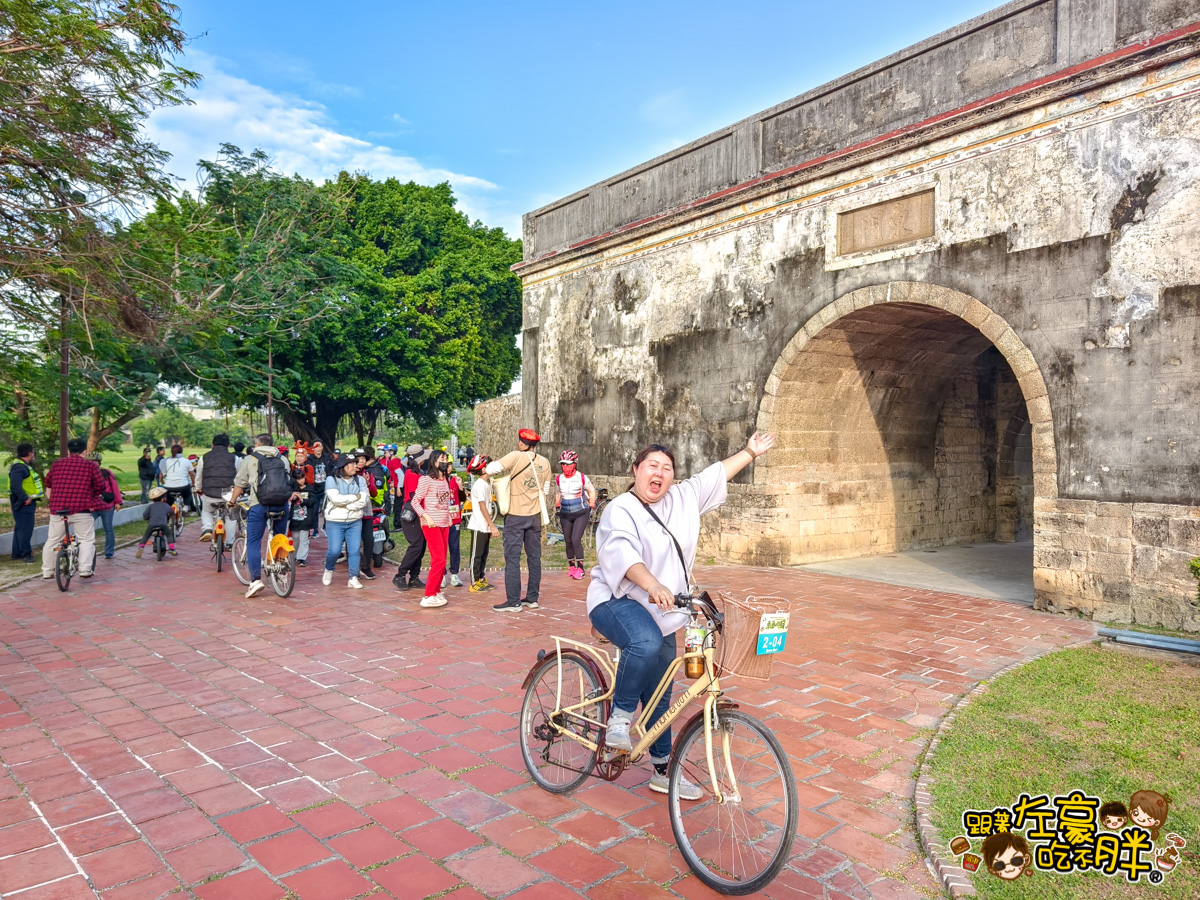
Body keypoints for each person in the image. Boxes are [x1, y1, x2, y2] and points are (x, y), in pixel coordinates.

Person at [587, 432, 775, 797]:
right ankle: (620, 719)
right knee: (645, 641)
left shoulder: (683, 498)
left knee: (661, 693)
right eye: (652, 466)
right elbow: (622, 553)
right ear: (636, 470)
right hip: (616, 599)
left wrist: (751, 451)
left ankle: (662, 771)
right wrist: (653, 584)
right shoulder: (620, 508)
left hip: (666, 610)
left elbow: (717, 473)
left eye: (667, 468)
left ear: (673, 476)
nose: (659, 473)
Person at [485, 428, 551, 613]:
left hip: (515, 515)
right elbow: (545, 489)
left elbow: (492, 469)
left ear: (522, 443)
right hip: (535, 515)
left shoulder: (516, 456)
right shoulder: (544, 462)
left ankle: (513, 602)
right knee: (534, 559)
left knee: (512, 559)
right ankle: (532, 598)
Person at [230, 434, 299, 598]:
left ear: (256, 444)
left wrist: (232, 501)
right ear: (272, 445)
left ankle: (255, 581)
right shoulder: (282, 459)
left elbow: (240, 484)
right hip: (282, 504)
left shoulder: (250, 459)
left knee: (253, 542)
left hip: (259, 505)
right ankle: (281, 571)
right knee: (280, 537)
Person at [40, 438, 106, 579]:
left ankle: (47, 570)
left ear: (68, 451)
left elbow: (48, 482)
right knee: (86, 539)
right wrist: (91, 494)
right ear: (85, 452)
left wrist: (53, 499)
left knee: (53, 539)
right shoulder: (90, 466)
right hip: (81, 508)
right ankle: (85, 569)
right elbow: (101, 485)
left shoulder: (57, 464)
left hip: (58, 509)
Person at [409, 449, 454, 608]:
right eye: (441, 459)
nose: (444, 462)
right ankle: (428, 595)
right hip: (431, 524)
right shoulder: (425, 480)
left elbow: (445, 502)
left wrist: (448, 515)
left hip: (443, 524)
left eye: (445, 459)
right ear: (434, 461)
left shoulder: (445, 480)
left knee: (442, 560)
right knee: (438, 560)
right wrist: (426, 517)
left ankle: (435, 591)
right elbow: (415, 502)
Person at [322, 452, 368, 590]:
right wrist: (355, 497)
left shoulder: (360, 480)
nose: (356, 466)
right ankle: (329, 569)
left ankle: (353, 577)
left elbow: (364, 499)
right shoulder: (331, 480)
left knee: (354, 550)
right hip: (335, 521)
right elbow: (335, 499)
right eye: (353, 463)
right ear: (344, 465)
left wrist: (348, 504)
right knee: (334, 550)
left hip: (355, 520)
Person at [554, 450, 596, 580]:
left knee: (575, 540)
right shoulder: (559, 479)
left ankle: (581, 569)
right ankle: (571, 566)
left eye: (568, 464)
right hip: (565, 514)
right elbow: (557, 493)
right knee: (568, 540)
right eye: (563, 464)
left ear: (575, 464)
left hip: (580, 513)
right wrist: (557, 505)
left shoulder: (581, 477)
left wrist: (591, 504)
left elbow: (592, 490)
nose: (565, 467)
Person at [392, 445, 428, 591]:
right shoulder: (412, 475)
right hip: (413, 514)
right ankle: (400, 575)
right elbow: (414, 498)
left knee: (420, 546)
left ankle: (414, 576)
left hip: (417, 513)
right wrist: (422, 515)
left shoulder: (416, 473)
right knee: (416, 546)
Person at [195, 434, 238, 543]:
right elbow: (240, 477)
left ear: (212, 445)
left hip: (210, 494)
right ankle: (229, 543)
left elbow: (199, 476)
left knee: (207, 510)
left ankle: (207, 528)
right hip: (228, 495)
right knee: (230, 516)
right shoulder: (235, 458)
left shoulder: (203, 458)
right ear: (228, 446)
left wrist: (198, 488)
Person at [465, 455, 499, 592]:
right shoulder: (479, 485)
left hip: (485, 526)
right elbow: (482, 507)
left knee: (484, 554)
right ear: (483, 469)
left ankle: (480, 579)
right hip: (479, 525)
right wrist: (492, 525)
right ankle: (474, 582)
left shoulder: (487, 484)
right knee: (477, 555)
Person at [359, 446, 390, 581]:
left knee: (366, 538)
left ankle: (365, 566)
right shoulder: (367, 469)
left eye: (362, 458)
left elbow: (376, 490)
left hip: (372, 504)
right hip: (369, 503)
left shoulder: (375, 470)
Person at [8, 443, 40, 562]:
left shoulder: (23, 466)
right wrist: (24, 497)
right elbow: (15, 485)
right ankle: (26, 554)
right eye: (32, 452)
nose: (33, 454)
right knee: (26, 528)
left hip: (23, 501)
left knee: (20, 528)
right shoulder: (19, 467)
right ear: (29, 454)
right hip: (23, 502)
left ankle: (17, 553)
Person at [89, 455, 123, 560]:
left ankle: (109, 552)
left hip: (107, 505)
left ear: (99, 463)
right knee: (85, 529)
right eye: (91, 461)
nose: (94, 463)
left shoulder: (106, 473)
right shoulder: (85, 474)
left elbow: (115, 487)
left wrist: (118, 502)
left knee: (108, 529)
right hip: (92, 506)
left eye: (96, 461)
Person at [289, 443, 317, 567]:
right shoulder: (291, 489)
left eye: (302, 456)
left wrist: (302, 500)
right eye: (298, 456)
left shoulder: (310, 486)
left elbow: (312, 501)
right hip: (294, 519)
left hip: (305, 518)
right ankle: (294, 556)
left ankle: (301, 558)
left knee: (304, 538)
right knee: (295, 538)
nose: (300, 480)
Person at [135, 486, 176, 557]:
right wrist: (171, 515)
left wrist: (147, 518)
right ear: (164, 498)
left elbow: (145, 515)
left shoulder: (151, 506)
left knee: (146, 536)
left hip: (152, 524)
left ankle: (141, 547)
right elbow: (172, 512)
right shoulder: (166, 505)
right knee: (169, 534)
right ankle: (172, 549)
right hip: (163, 524)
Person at [445, 462, 466, 588]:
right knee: (441, 548)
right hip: (441, 519)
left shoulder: (455, 480)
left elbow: (462, 498)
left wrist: (460, 486)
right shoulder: (437, 481)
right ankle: (441, 575)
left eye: (450, 466)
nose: (449, 469)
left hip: (455, 518)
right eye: (446, 466)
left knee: (454, 546)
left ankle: (454, 573)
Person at [308, 439, 334, 538]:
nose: (318, 448)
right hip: (314, 488)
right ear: (312, 448)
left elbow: (332, 470)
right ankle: (315, 530)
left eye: (320, 446)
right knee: (314, 510)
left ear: (323, 447)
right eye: (316, 446)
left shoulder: (327, 457)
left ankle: (326, 527)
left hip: (326, 487)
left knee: (327, 509)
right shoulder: (309, 459)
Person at [159, 445, 195, 513]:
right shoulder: (186, 461)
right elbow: (192, 474)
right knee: (188, 494)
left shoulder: (165, 461)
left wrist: (163, 482)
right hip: (183, 486)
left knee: (168, 499)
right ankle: (186, 506)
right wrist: (193, 483)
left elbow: (160, 476)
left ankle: (168, 512)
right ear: (182, 451)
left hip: (168, 486)